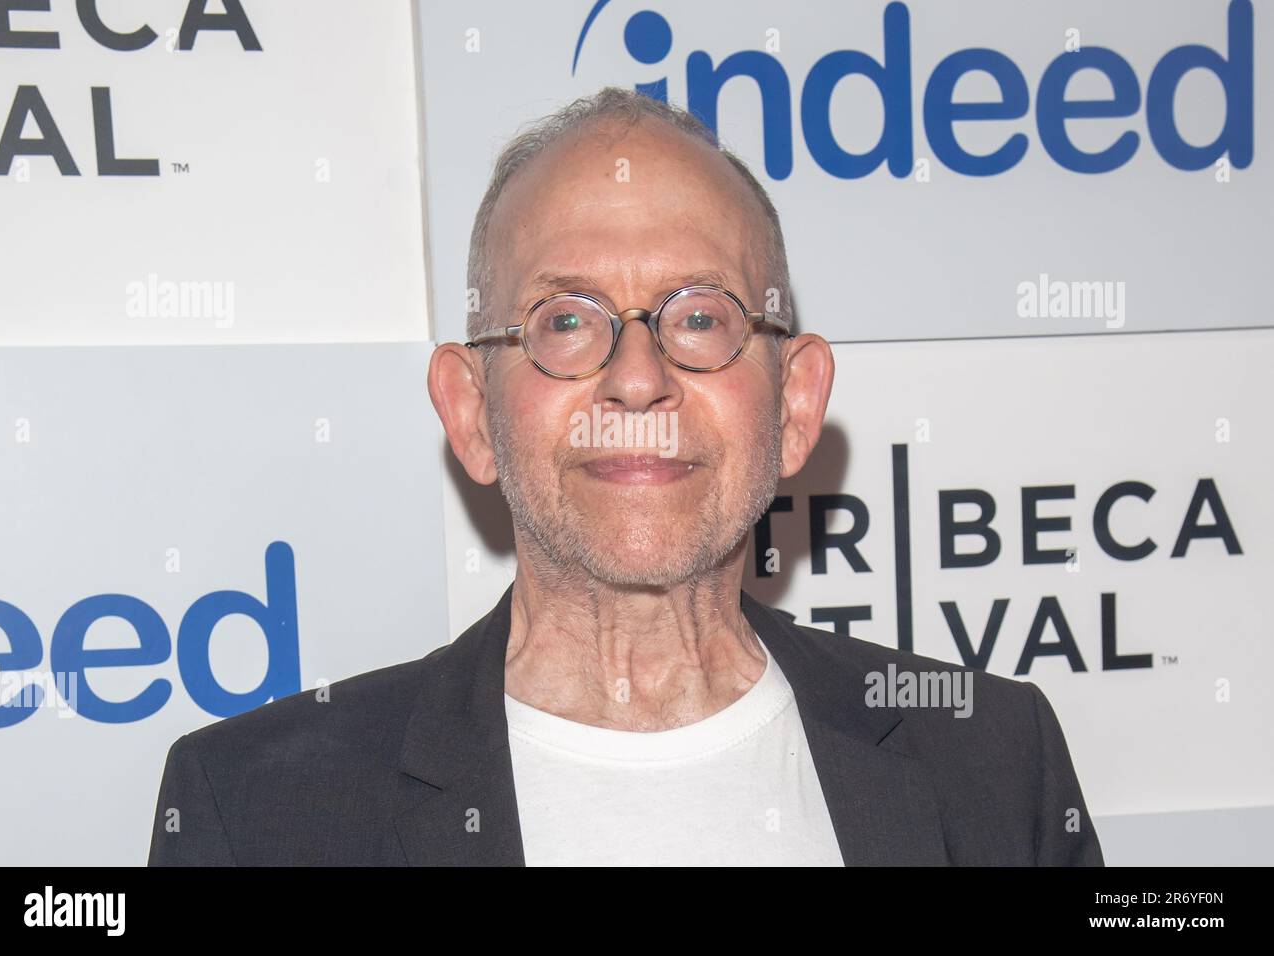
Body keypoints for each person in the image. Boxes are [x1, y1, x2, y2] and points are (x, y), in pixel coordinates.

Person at [147, 86, 1103, 866]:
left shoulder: (991, 757)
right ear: (471, 411)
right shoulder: (256, 813)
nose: (637, 378)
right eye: (566, 320)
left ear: (796, 405)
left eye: (698, 318)